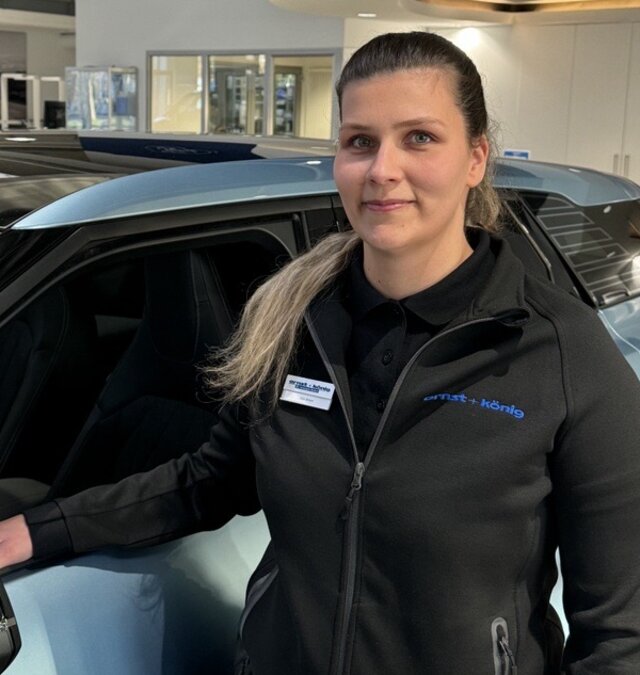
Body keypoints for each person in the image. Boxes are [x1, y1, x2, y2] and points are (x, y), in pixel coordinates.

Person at [1, 30, 639, 675]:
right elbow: (209, 481)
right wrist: (33, 530)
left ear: (475, 158)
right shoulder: (294, 321)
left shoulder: (563, 352)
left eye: (419, 137)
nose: (382, 169)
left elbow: (619, 633)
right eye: (360, 141)